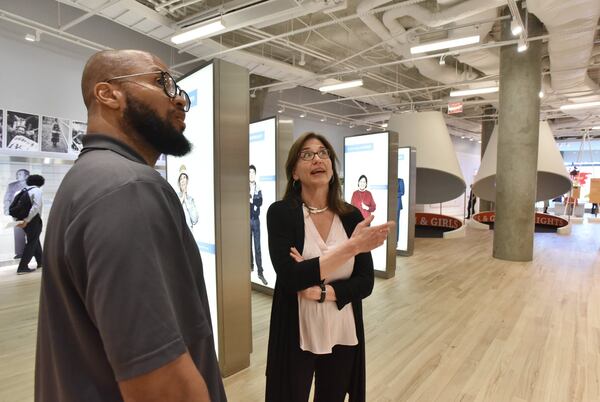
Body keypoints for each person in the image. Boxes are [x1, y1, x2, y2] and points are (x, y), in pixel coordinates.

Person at [35, 50, 226, 402]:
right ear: (108, 94)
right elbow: (160, 385)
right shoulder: (128, 187)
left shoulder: (89, 179)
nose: (180, 97)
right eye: (162, 82)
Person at [265, 132, 394, 402]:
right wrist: (351, 248)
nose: (317, 159)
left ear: (333, 169)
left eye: (324, 153)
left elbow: (365, 282)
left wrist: (322, 291)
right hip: (298, 332)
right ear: (294, 173)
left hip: (342, 330)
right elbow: (290, 277)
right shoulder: (281, 213)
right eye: (307, 154)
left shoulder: (350, 216)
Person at [15, 174, 45, 274]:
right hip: (33, 220)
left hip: (23, 221)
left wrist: (20, 221)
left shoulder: (21, 191)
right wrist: (27, 220)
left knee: (34, 240)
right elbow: (36, 207)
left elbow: (14, 208)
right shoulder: (37, 190)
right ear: (41, 183)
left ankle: (41, 262)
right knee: (32, 242)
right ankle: (22, 267)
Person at [4, 169, 29, 258]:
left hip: (29, 212)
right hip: (16, 213)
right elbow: (7, 198)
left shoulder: (31, 186)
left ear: (26, 176)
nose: (18, 175)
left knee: (31, 233)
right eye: (17, 174)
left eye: (20, 174)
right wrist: (7, 209)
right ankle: (20, 252)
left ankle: (34, 252)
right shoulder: (12, 186)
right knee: (18, 232)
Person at [249, 164, 268, 285]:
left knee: (257, 247)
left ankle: (260, 272)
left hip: (255, 220)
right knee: (247, 246)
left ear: (255, 174)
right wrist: (253, 201)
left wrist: (251, 200)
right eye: (249, 172)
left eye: (253, 173)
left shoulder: (258, 187)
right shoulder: (243, 187)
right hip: (246, 219)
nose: (251, 174)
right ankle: (250, 267)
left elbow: (260, 201)